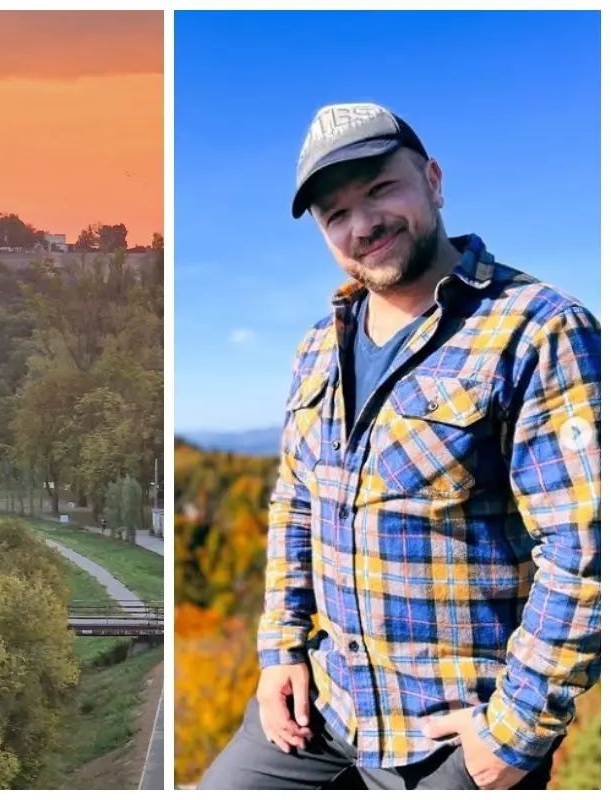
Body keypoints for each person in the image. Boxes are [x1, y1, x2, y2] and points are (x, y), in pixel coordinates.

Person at [198, 103, 601, 790]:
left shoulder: (538, 330)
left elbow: (587, 543)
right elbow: (296, 505)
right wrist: (278, 649)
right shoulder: (319, 347)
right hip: (326, 706)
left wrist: (519, 728)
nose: (362, 224)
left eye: (380, 189)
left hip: (452, 729)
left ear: (433, 181)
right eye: (335, 212)